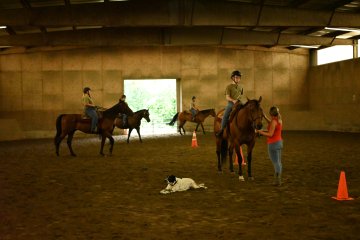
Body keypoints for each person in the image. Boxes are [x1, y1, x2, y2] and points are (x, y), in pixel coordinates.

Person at [255, 106, 283, 186]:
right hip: (279, 142)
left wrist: (260, 132)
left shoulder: (274, 122)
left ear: (271, 114)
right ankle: (278, 178)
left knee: (275, 162)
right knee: (278, 162)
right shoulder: (279, 120)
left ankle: (277, 180)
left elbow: (270, 134)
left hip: (273, 144)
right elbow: (272, 126)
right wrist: (265, 117)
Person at [216, 70, 246, 137]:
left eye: (239, 77)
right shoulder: (229, 87)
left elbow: (241, 96)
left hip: (239, 102)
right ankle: (221, 129)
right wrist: (233, 100)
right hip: (231, 103)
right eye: (236, 77)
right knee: (226, 115)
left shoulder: (241, 87)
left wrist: (240, 101)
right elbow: (227, 97)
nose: (238, 79)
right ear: (233, 78)